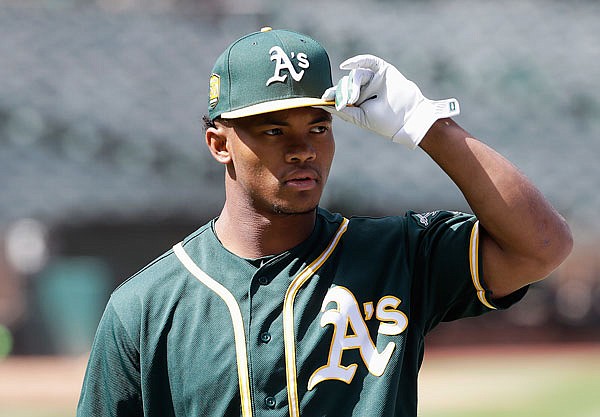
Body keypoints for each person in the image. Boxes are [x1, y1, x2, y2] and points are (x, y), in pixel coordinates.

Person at [77, 27, 573, 417]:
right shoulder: (143, 307)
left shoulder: (397, 255)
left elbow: (542, 245)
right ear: (219, 144)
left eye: (318, 125)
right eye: (274, 129)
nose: (304, 149)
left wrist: (428, 124)